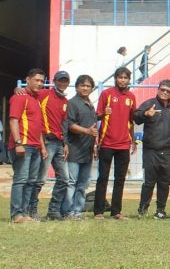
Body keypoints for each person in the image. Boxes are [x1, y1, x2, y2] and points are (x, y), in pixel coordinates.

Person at [134, 79, 170, 219]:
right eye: (162, 90)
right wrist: (145, 114)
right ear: (158, 89)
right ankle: (142, 210)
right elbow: (136, 117)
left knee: (164, 182)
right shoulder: (149, 104)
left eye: (168, 91)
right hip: (151, 150)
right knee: (149, 182)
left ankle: (161, 210)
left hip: (167, 152)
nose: (165, 93)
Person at [94, 67, 137, 220]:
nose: (123, 80)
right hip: (106, 143)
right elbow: (97, 115)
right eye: (120, 77)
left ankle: (116, 212)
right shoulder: (106, 94)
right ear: (115, 78)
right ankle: (98, 212)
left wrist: (133, 141)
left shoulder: (131, 97)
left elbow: (131, 121)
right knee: (103, 178)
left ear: (129, 80)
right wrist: (104, 113)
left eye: (125, 78)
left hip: (124, 144)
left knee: (120, 179)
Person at [30, 70, 70, 220]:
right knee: (40, 179)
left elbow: (64, 123)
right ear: (54, 81)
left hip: (59, 143)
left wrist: (65, 143)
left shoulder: (65, 102)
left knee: (64, 179)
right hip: (46, 141)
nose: (62, 83)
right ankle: (31, 210)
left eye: (65, 81)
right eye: (60, 81)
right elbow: (28, 94)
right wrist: (18, 89)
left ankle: (53, 211)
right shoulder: (44, 94)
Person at [8, 68, 46, 223]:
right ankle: (16, 214)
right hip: (23, 145)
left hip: (35, 146)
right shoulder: (20, 97)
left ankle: (24, 213)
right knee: (21, 180)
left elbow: (38, 127)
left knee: (31, 181)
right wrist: (18, 143)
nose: (39, 83)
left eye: (42, 81)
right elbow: (13, 120)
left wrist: (42, 146)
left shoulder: (36, 99)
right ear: (28, 80)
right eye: (36, 80)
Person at [64, 75, 98, 219]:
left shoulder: (90, 104)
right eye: (82, 85)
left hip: (87, 150)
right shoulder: (72, 103)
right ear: (77, 87)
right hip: (74, 148)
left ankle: (78, 211)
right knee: (72, 182)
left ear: (92, 88)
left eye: (88, 86)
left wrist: (94, 144)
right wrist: (87, 131)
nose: (85, 88)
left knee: (83, 183)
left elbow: (93, 126)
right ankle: (68, 212)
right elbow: (70, 125)